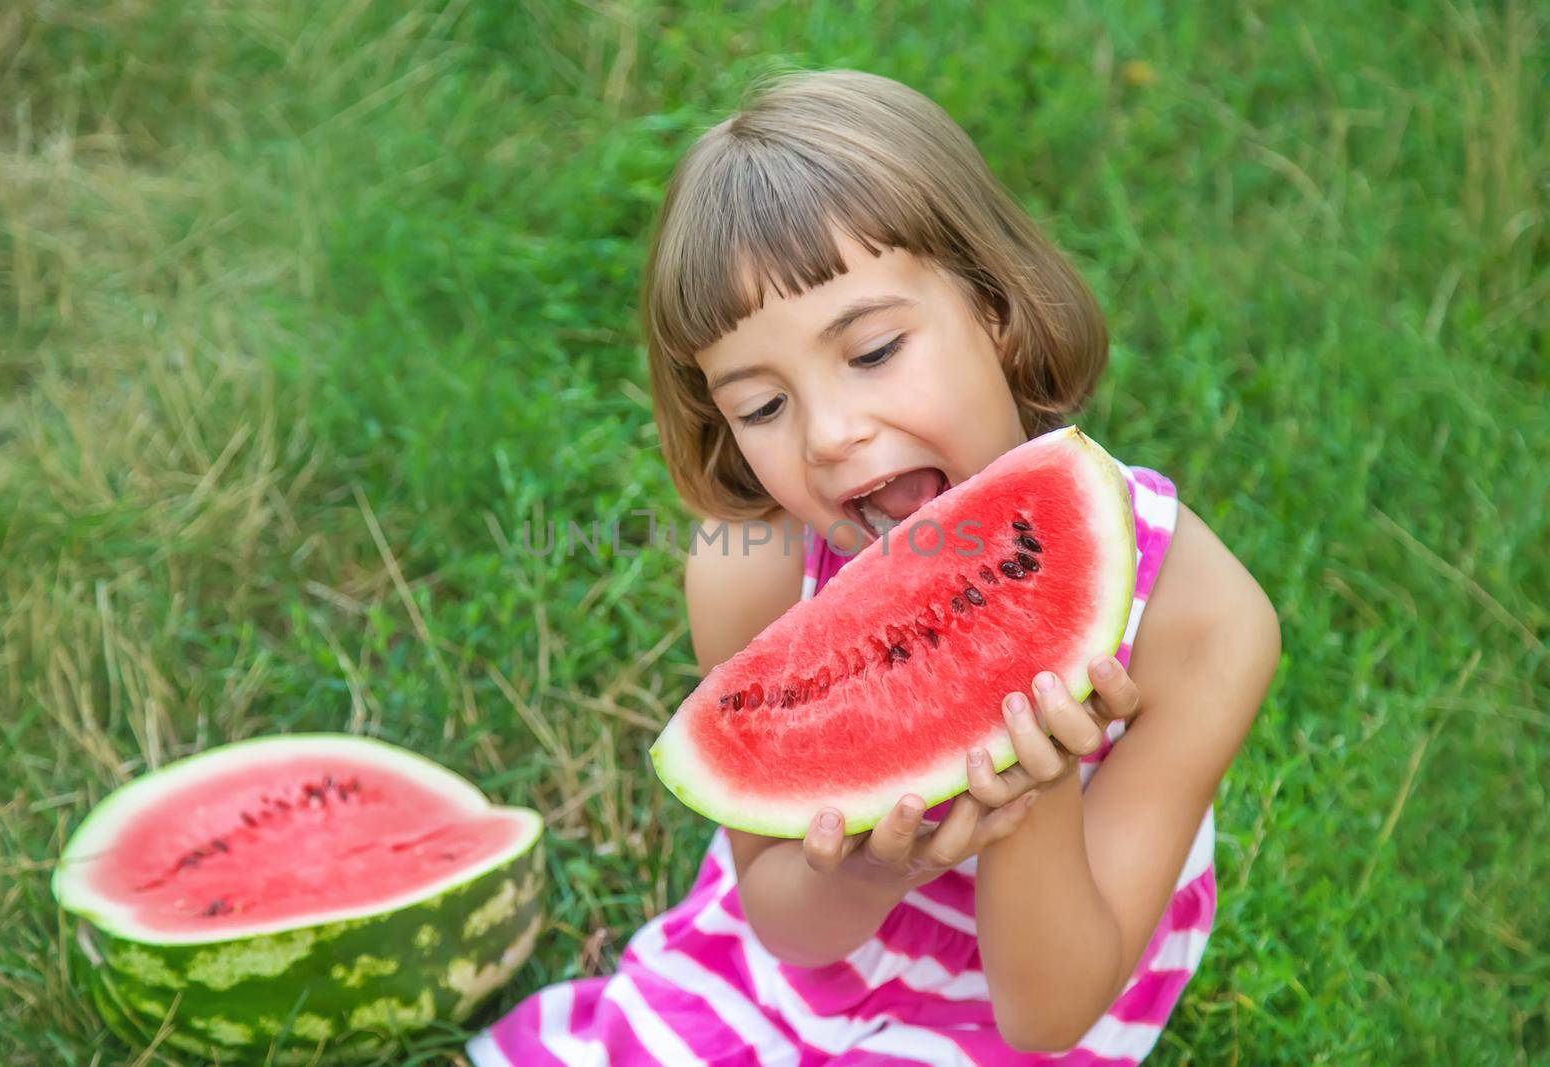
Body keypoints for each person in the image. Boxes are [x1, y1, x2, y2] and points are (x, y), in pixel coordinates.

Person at [469, 67, 1281, 1065]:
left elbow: (1048, 1014)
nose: (831, 435)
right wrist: (862, 874)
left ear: (994, 305)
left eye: (873, 349)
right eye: (762, 406)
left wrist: (1038, 780)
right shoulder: (752, 570)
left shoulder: (1199, 617)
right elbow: (782, 922)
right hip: (805, 967)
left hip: (1033, 978)